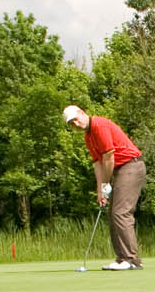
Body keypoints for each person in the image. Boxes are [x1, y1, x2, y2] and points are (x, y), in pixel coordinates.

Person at [62, 105, 145, 270]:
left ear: (82, 113)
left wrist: (106, 184)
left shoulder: (100, 125)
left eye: (76, 119)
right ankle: (122, 258)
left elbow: (109, 158)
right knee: (113, 214)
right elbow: (98, 164)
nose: (76, 125)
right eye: (71, 124)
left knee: (121, 212)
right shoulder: (88, 137)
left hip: (131, 166)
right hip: (119, 170)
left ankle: (132, 260)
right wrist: (100, 191)